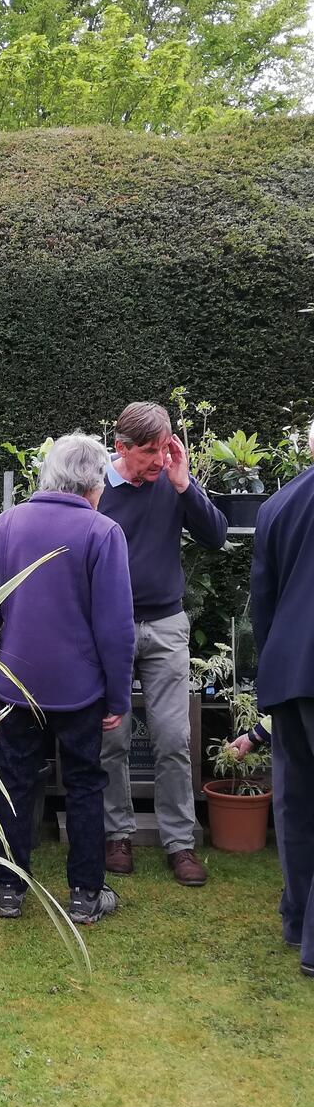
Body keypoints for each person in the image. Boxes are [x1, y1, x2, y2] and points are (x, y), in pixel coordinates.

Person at [0, 433, 134, 925]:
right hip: (81, 688)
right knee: (84, 784)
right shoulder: (103, 532)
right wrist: (118, 696)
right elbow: (116, 627)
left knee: (15, 781)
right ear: (93, 481)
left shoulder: (7, 524)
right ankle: (85, 894)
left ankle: (7, 891)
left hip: (14, 682)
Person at [98, 402, 227, 886]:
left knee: (174, 738)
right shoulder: (97, 491)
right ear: (121, 448)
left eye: (164, 448)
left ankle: (180, 842)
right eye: (149, 452)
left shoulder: (173, 483)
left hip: (167, 625)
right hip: (112, 629)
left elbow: (215, 537)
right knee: (112, 737)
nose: (158, 459)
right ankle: (117, 834)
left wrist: (183, 483)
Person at [251, 418, 314, 979]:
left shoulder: (278, 505)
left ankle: (297, 920)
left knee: (295, 801)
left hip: (288, 671)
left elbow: (261, 604)